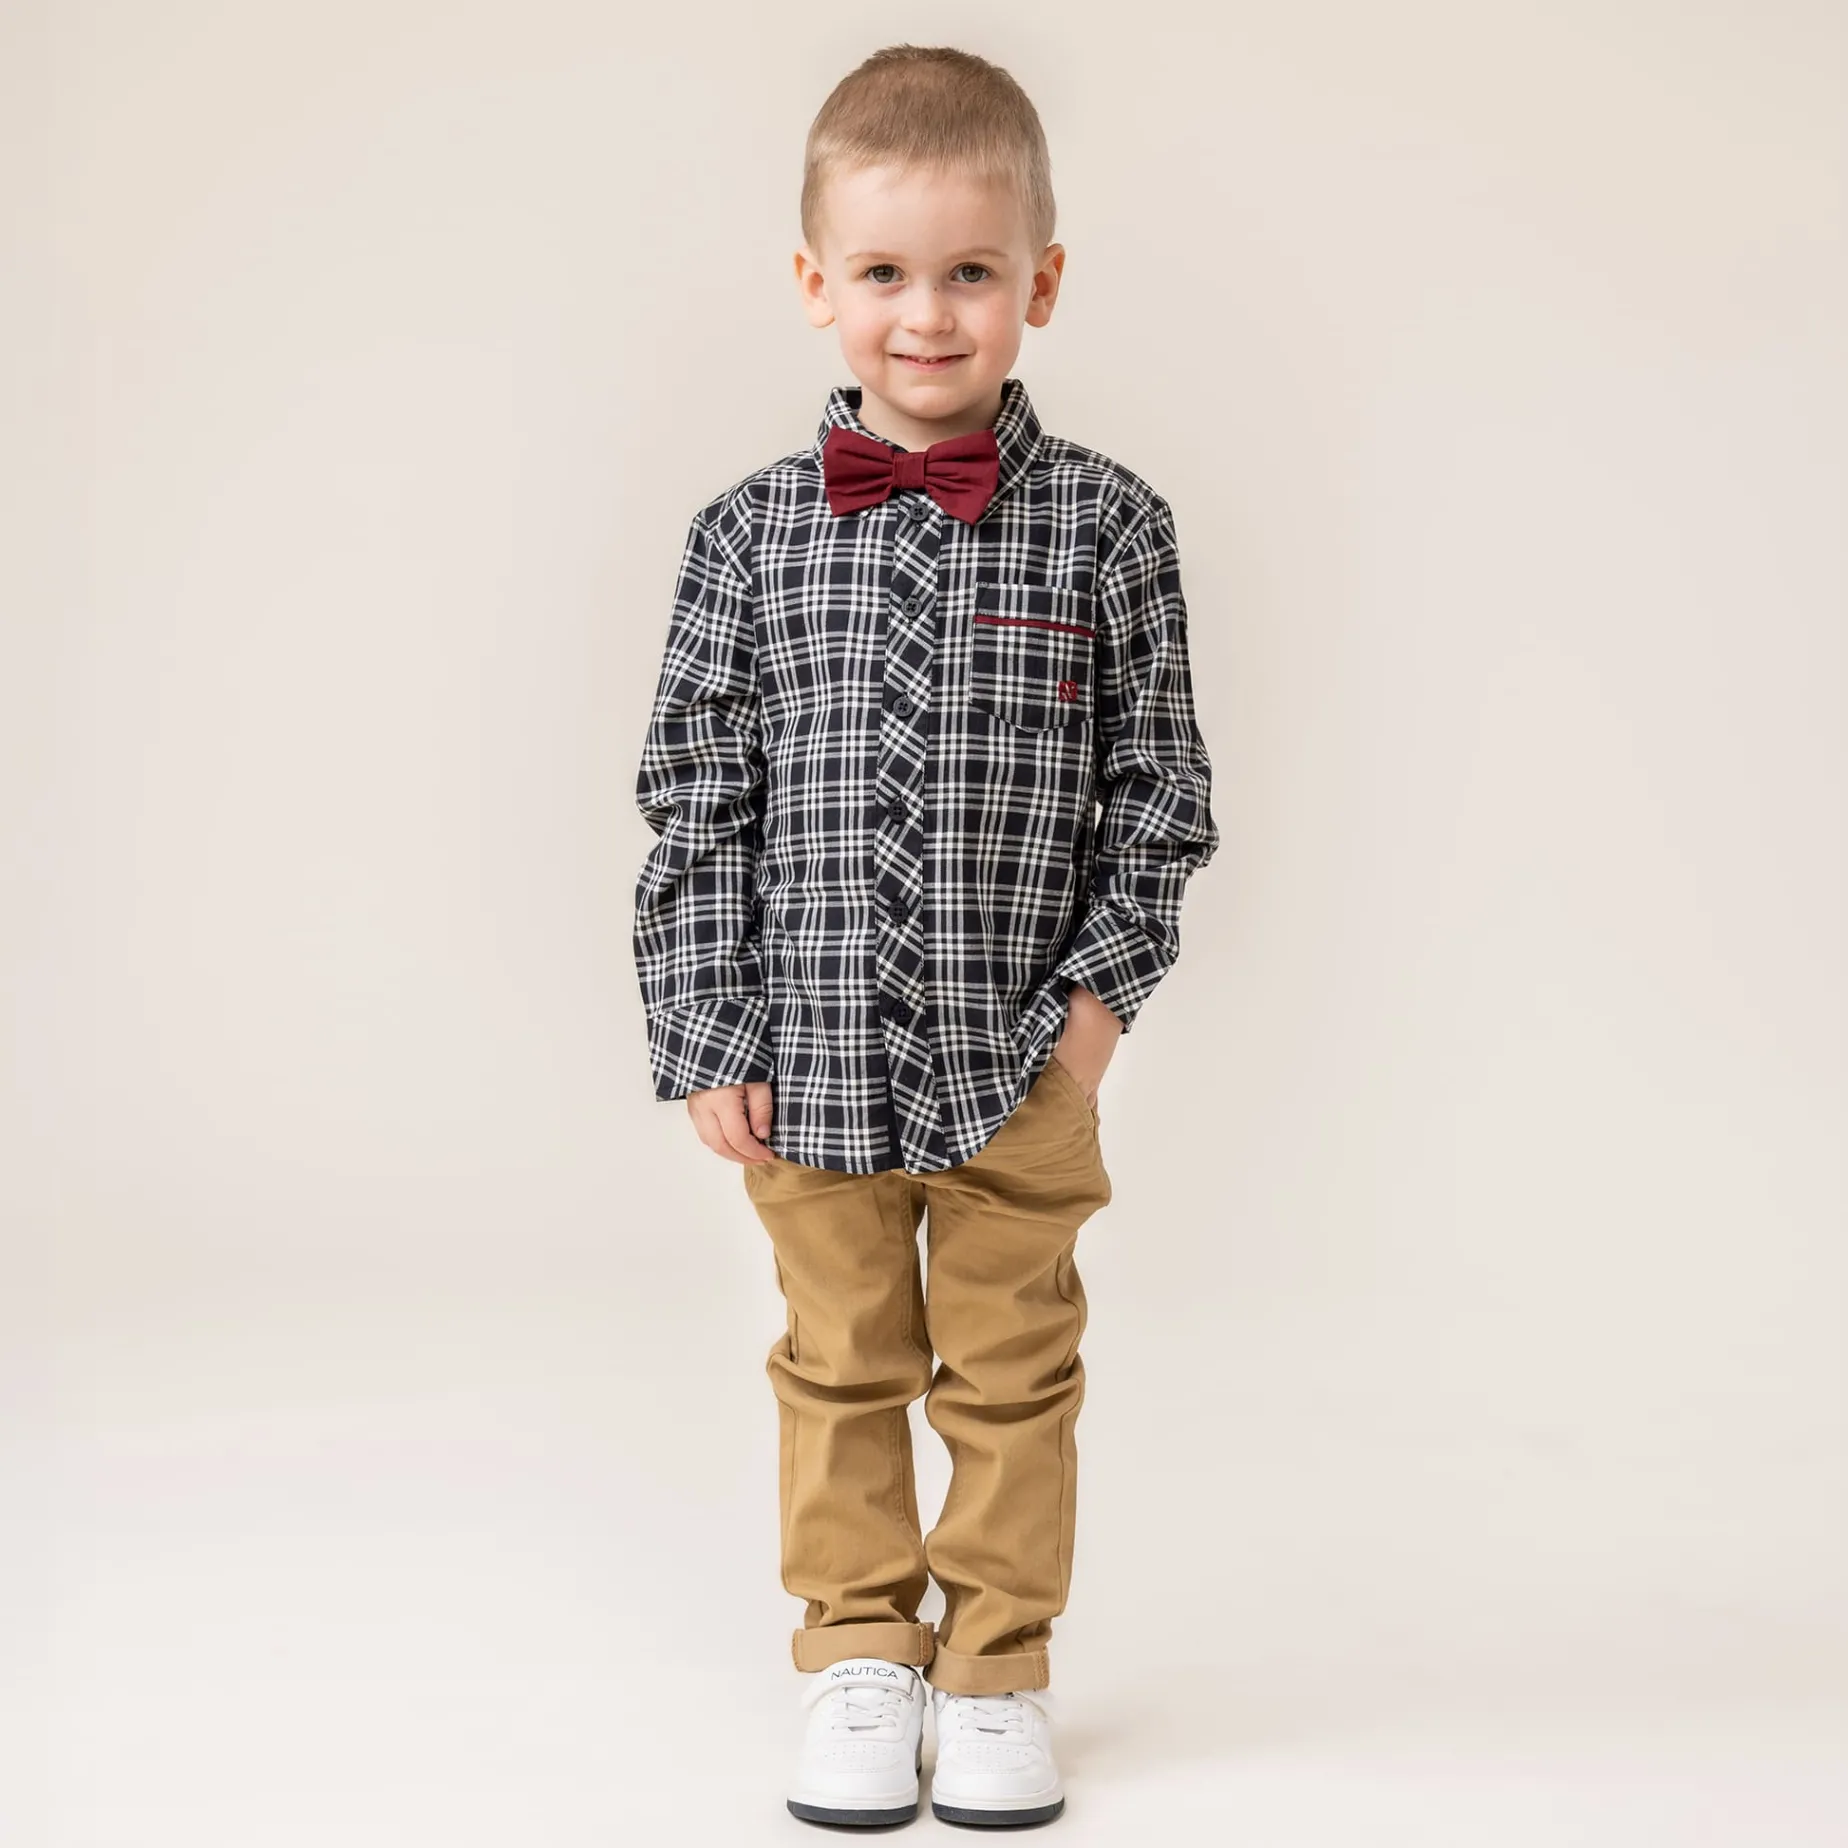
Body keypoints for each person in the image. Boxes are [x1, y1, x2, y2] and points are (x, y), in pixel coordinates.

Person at [632, 43, 1220, 1830]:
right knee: (838, 1364)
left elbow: (1160, 793)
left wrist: (1093, 1018)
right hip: (806, 1059)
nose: (929, 313)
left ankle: (997, 1670)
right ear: (817, 283)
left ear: (1042, 280)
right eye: (885, 271)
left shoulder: (1110, 527)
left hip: (1018, 1060)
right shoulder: (744, 537)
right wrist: (708, 1032)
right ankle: (860, 1653)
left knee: (1016, 1375)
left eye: (972, 270)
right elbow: (696, 800)